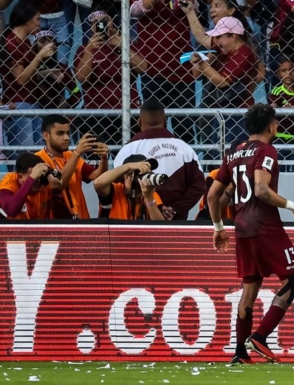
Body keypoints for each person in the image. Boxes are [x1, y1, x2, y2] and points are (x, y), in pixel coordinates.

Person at [207, 104, 294, 364]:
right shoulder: (266, 151)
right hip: (265, 226)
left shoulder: (233, 153)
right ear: (271, 126)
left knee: (250, 289)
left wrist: (219, 228)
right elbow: (262, 191)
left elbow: (212, 195)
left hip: (242, 228)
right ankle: (260, 337)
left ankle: (240, 352)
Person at [114, 99, 206, 220]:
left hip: (138, 220)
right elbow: (199, 186)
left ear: (139, 122)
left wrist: (150, 205)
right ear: (165, 121)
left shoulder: (127, 151)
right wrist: (175, 209)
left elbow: (120, 187)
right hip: (176, 222)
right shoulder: (184, 149)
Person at [75, 10, 148, 144]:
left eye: (105, 21)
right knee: (95, 159)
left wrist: (122, 46)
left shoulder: (126, 43)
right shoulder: (84, 49)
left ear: (112, 23)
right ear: (91, 27)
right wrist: (89, 51)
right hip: (96, 111)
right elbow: (82, 78)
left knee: (130, 156)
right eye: (96, 23)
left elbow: (143, 68)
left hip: (127, 109)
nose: (101, 25)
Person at [130, 0, 196, 142]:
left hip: (182, 70)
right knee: (153, 127)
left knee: (184, 127)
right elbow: (135, 10)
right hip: (152, 70)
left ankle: (184, 161)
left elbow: (195, 7)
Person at [190, 16, 258, 145]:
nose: (215, 40)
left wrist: (201, 63)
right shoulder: (223, 50)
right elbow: (196, 74)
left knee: (234, 154)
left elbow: (222, 82)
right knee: (217, 155)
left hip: (239, 113)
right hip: (221, 111)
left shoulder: (244, 53)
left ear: (233, 36)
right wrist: (210, 55)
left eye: (219, 36)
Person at [35, 114, 108, 219]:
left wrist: (104, 158)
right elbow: (58, 184)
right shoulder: (38, 159)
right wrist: (77, 153)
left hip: (82, 220)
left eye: (68, 133)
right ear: (45, 135)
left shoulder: (70, 156)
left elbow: (97, 176)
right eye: (60, 133)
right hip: (57, 223)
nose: (66, 138)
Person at [0, 2, 51, 146]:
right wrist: (39, 56)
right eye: (37, 19)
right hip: (18, 102)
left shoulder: (26, 42)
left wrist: (48, 73)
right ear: (27, 20)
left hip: (32, 100)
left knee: (40, 147)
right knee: (25, 149)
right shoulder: (11, 42)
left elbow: (30, 73)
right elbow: (21, 79)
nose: (40, 24)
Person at [93, 154, 165, 221]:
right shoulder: (116, 190)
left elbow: (161, 229)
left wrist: (149, 199)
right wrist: (128, 166)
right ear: (126, 177)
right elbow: (98, 183)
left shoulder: (151, 194)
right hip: (113, 234)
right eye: (139, 173)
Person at [0, 152, 60, 219]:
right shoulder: (8, 183)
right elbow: (11, 210)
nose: (38, 180)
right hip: (2, 229)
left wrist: (57, 191)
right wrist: (32, 177)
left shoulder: (44, 185)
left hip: (34, 229)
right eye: (35, 176)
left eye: (40, 175)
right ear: (20, 177)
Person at [268, 56, 294, 172]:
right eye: (284, 70)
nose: (288, 73)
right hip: (280, 138)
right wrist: (280, 109)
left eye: (292, 69)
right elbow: (272, 108)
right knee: (278, 172)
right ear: (278, 74)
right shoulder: (277, 91)